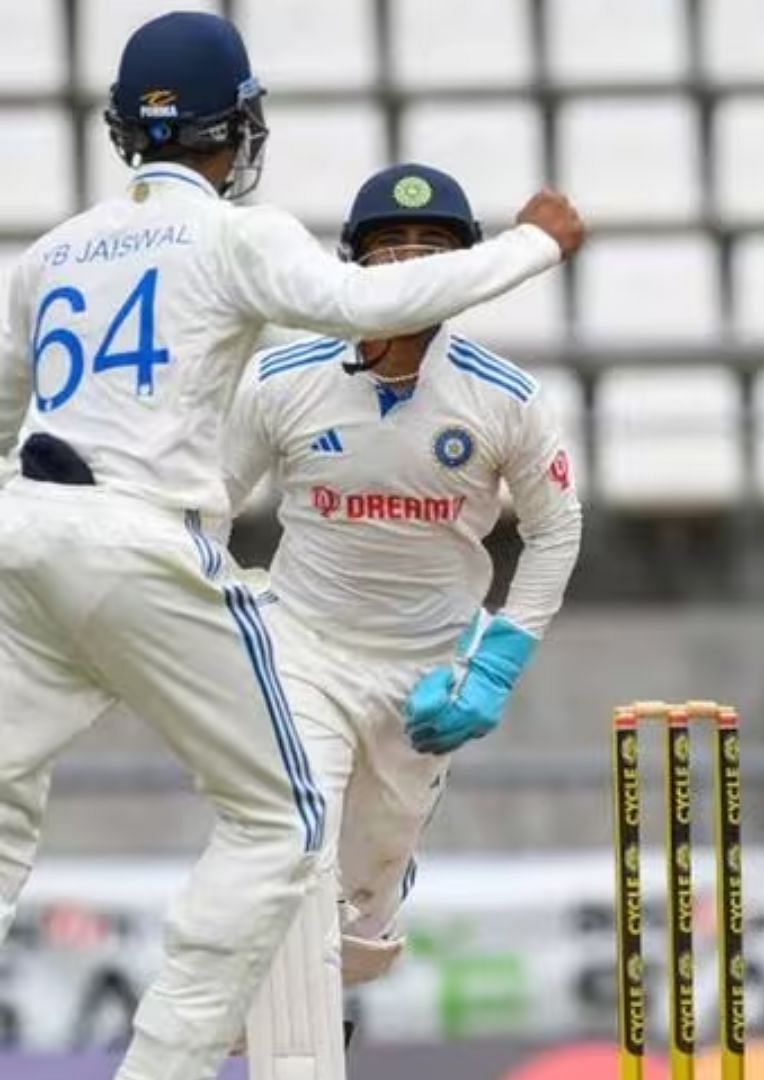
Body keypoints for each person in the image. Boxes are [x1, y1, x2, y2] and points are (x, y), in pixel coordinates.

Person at [0, 13, 583, 1079]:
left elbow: (4, 420)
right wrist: (535, 242)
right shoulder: (239, 235)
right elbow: (357, 308)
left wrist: (493, 659)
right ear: (238, 130)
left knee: (5, 805)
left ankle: (279, 1005)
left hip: (28, 535)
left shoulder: (47, 253)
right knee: (283, 826)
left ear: (127, 129)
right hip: (187, 570)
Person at [226, 163, 583, 1078]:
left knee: (366, 886)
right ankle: (256, 1023)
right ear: (355, 262)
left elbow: (554, 531)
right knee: (290, 835)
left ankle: (318, 1008)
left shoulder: (503, 397)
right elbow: (206, 505)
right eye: (391, 250)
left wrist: (496, 661)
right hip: (302, 645)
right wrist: (221, 614)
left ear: (465, 269)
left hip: (427, 667)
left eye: (433, 253)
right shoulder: (282, 379)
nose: (410, 268)